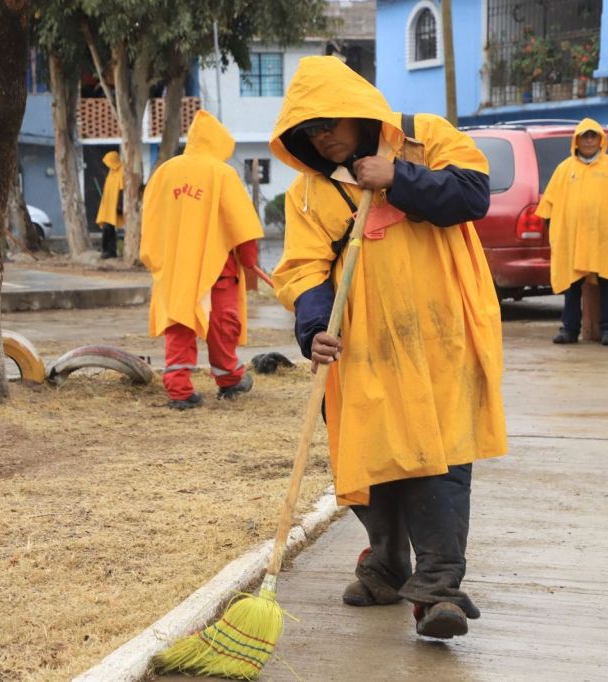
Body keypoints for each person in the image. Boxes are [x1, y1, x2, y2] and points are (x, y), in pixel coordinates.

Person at [270, 56, 507, 639]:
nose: (320, 138)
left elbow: (473, 196)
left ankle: (438, 589)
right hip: (364, 347)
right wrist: (313, 325)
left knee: (440, 457)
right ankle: (386, 565)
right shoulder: (306, 194)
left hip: (441, 335)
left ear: (357, 110)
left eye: (327, 123)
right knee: (371, 459)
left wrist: (397, 178)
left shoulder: (427, 140)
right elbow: (303, 269)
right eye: (307, 133)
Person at [140, 110, 263, 410]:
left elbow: (150, 220)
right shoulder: (221, 173)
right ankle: (229, 379)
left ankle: (179, 390)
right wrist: (249, 262)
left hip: (175, 268)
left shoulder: (164, 172)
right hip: (216, 269)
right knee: (223, 325)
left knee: (180, 324)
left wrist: (157, 261)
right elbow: (242, 226)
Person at [536, 119, 608, 346]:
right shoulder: (564, 170)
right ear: (577, 140)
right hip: (574, 239)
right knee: (572, 286)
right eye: (585, 136)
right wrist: (555, 234)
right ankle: (570, 329)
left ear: (601, 139)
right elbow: (549, 205)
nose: (590, 140)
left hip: (606, 239)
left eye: (594, 136)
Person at [96, 150, 124, 259]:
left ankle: (109, 251)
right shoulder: (111, 171)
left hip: (115, 206)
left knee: (108, 228)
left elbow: (122, 189)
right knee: (107, 228)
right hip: (107, 205)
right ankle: (108, 251)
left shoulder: (121, 171)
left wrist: (120, 205)